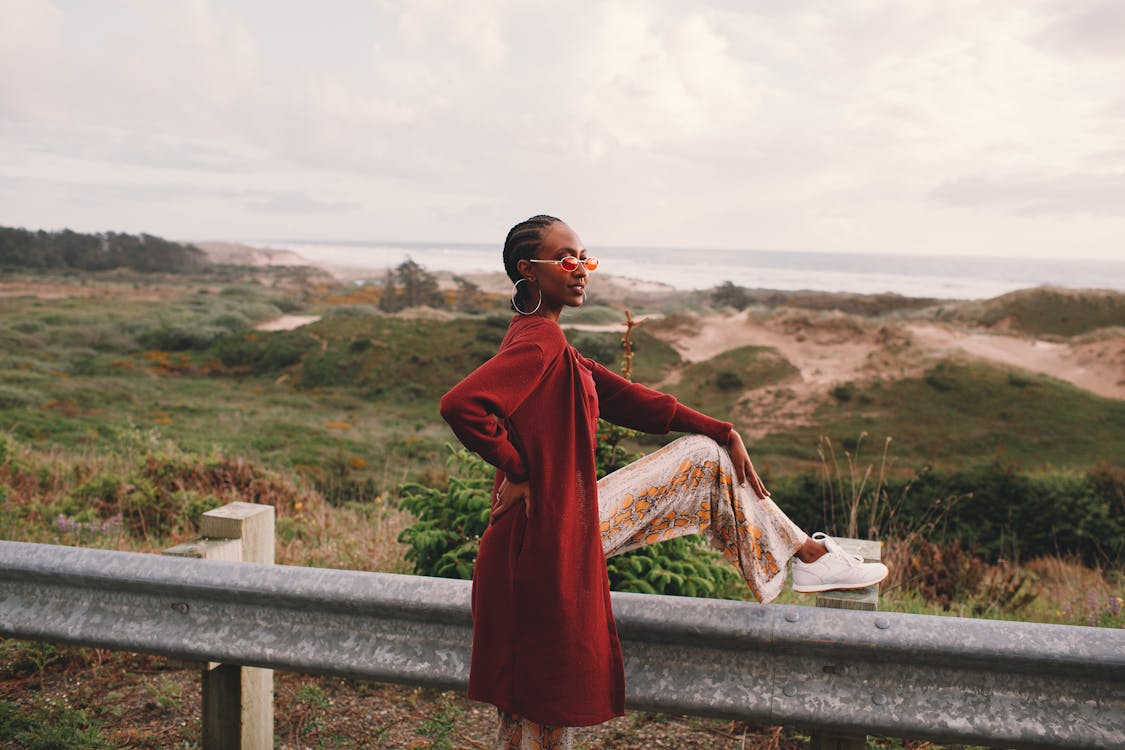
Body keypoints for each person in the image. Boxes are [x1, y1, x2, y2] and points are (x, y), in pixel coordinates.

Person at [439, 215, 888, 750]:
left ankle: (803, 554)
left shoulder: (552, 343)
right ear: (526, 271)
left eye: (585, 257)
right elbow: (462, 405)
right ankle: (805, 557)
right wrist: (520, 469)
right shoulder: (539, 340)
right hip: (534, 539)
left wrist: (722, 429)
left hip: (558, 525)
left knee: (533, 711)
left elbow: (628, 399)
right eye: (565, 258)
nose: (580, 269)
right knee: (534, 710)